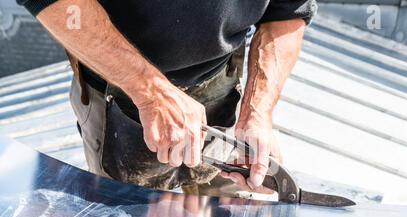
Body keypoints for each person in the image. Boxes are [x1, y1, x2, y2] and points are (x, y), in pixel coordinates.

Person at [18, 0, 317, 197]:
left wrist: (257, 110)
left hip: (223, 88)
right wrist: (150, 91)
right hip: (122, 94)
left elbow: (288, 11)